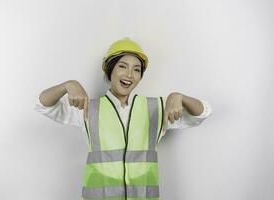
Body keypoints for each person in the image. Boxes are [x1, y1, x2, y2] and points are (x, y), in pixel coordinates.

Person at [34, 37, 212, 200]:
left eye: (137, 70)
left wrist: (179, 96)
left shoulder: (156, 109)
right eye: (122, 66)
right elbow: (43, 103)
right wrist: (68, 85)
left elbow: (203, 112)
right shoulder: (87, 109)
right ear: (109, 70)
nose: (129, 74)